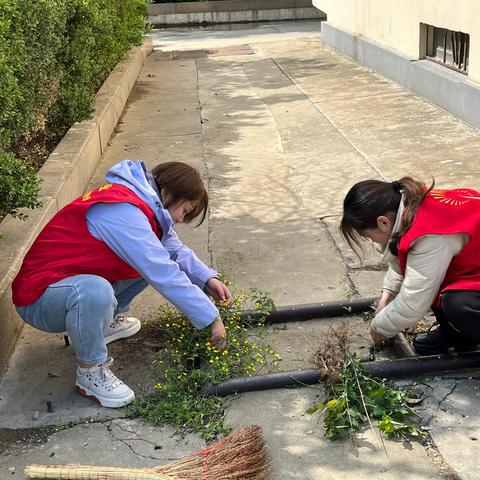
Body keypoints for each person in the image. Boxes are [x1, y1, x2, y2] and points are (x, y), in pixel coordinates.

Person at [12, 159, 232, 408]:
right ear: (167, 194)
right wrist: (211, 317)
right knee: (97, 290)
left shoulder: (144, 204)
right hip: (39, 298)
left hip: (65, 283)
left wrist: (207, 279)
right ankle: (90, 372)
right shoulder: (123, 211)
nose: (182, 220)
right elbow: (163, 271)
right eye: (185, 211)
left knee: (142, 264)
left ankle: (99, 327)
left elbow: (174, 251)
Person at [341, 176, 480, 355]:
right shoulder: (411, 206)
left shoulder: (431, 234)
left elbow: (414, 300)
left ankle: (464, 332)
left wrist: (378, 329)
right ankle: (459, 334)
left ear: (383, 222)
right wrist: (387, 296)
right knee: (434, 279)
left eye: (369, 237)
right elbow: (406, 260)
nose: (372, 242)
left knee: (459, 303)